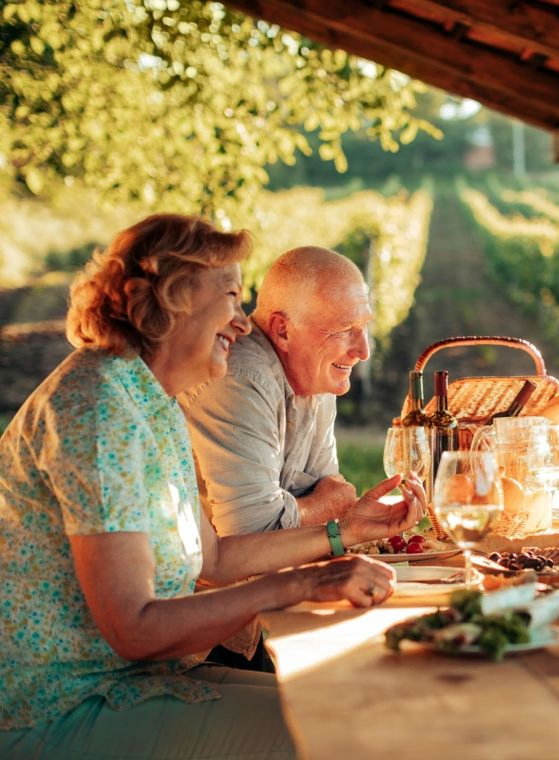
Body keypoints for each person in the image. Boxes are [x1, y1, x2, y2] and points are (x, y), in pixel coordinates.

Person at [0, 214, 425, 758]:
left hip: (136, 680)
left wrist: (346, 533)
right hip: (55, 705)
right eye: (231, 298)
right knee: (354, 736)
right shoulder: (100, 409)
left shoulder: (152, 402)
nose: (244, 324)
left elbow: (217, 558)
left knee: (366, 701)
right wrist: (301, 585)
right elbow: (134, 629)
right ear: (175, 302)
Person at [179, 246, 374, 538]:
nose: (363, 351)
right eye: (344, 329)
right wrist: (324, 508)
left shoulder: (316, 373)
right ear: (282, 330)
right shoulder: (239, 379)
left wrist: (321, 508)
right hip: (205, 582)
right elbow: (251, 536)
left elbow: (328, 491)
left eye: (363, 327)